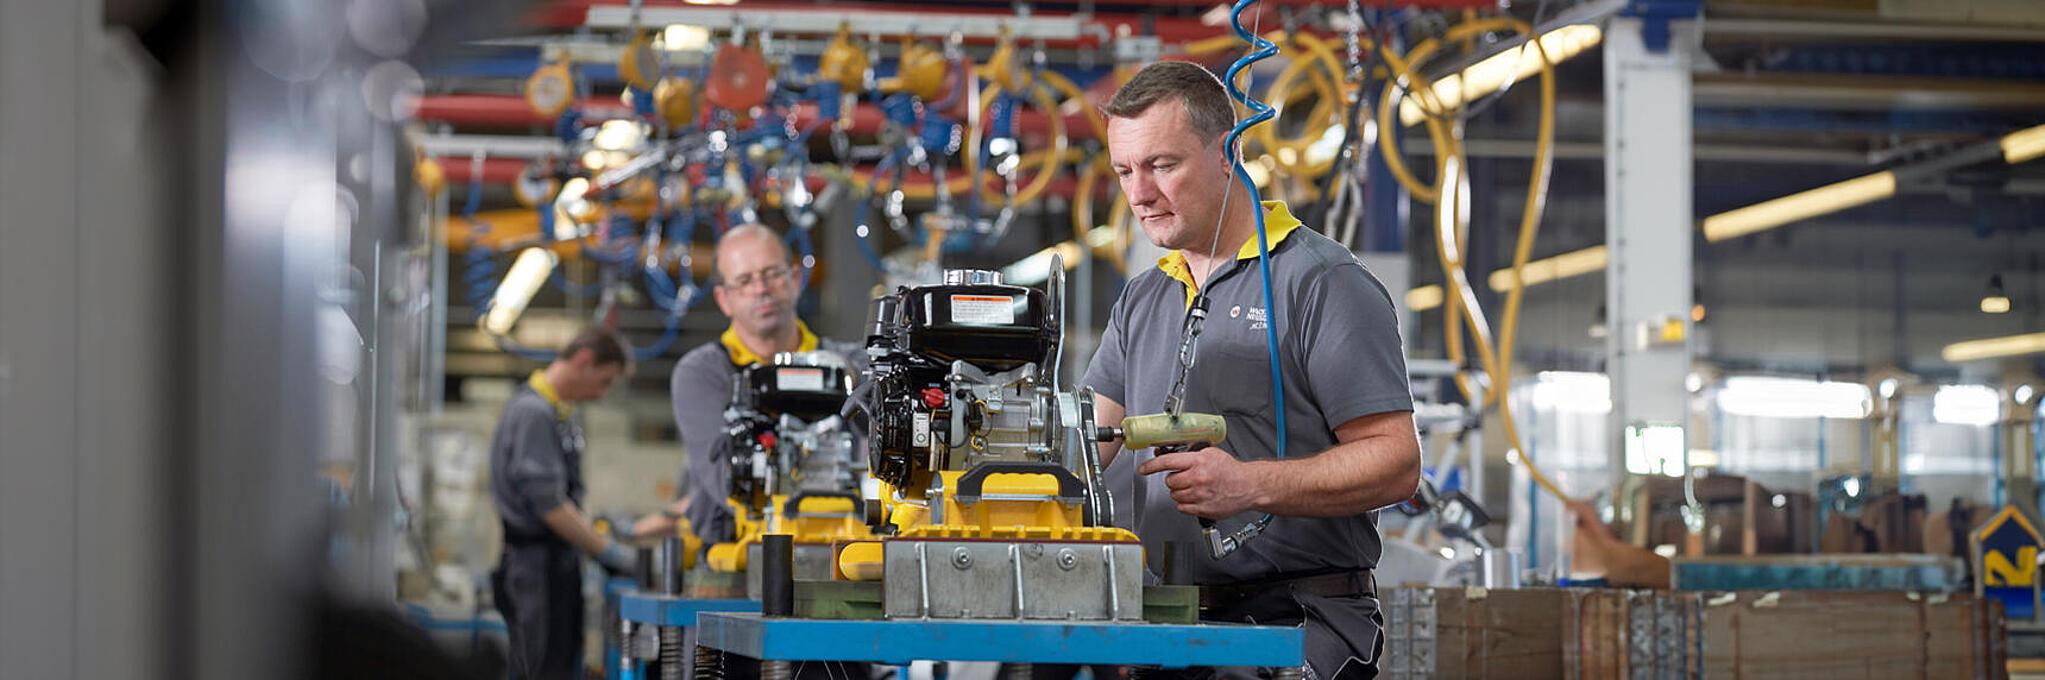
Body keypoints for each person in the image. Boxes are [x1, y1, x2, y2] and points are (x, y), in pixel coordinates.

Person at [1084, 61, 1423, 679]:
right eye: (1124, 171)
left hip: (1295, 622)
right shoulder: (1144, 297)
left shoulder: (1320, 282)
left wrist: (1249, 486)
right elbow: (1084, 442)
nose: (1139, 194)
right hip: (1167, 619)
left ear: (1229, 152)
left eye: (1162, 165)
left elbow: (1396, 462)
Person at [631, 224, 864, 552]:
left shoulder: (852, 364)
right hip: (735, 557)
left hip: (845, 549)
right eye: (744, 281)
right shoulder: (703, 372)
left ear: (796, 279)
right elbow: (722, 479)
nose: (761, 289)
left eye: (772, 274)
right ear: (723, 299)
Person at [489, 326, 639, 680]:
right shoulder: (533, 413)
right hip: (533, 568)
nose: (602, 395)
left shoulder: (559, 414)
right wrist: (610, 552)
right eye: (604, 381)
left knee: (559, 665)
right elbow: (550, 506)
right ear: (584, 361)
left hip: (555, 565)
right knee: (538, 668)